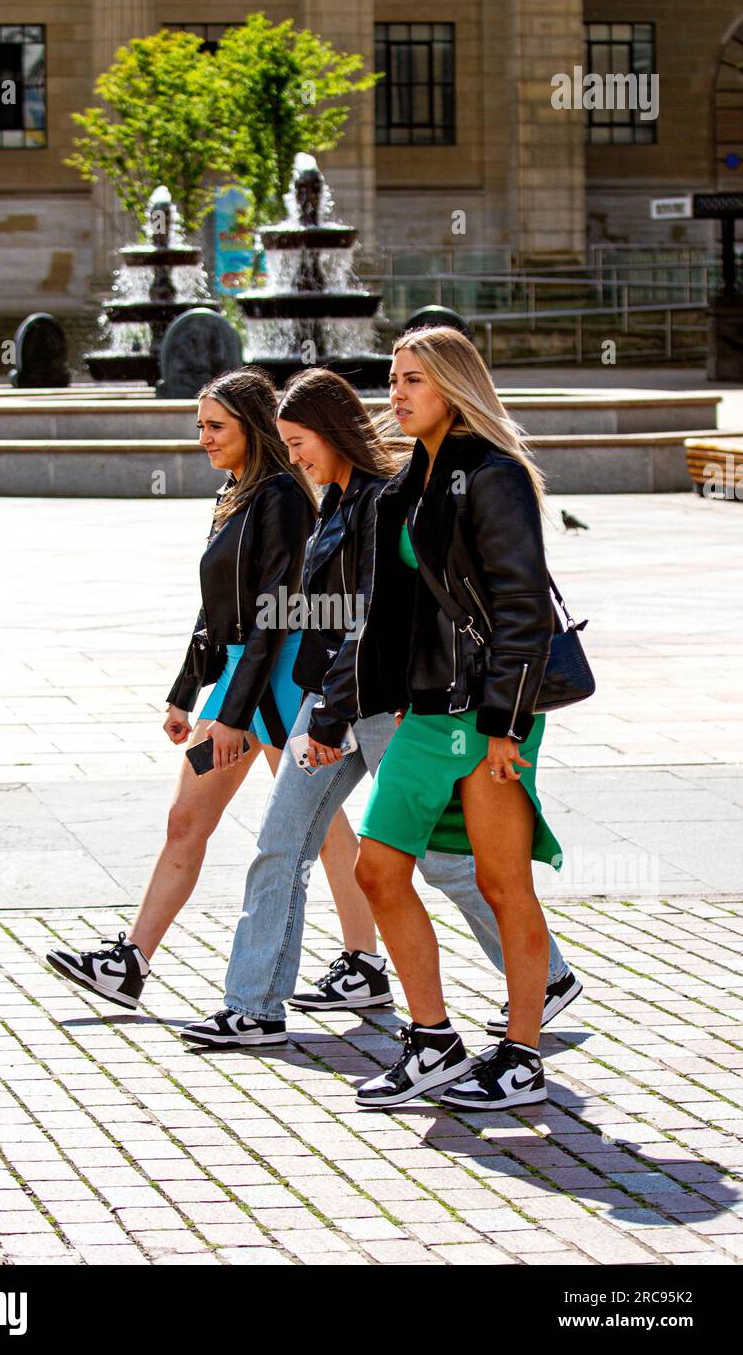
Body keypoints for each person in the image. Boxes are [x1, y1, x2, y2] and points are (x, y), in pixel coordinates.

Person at [180, 367, 579, 1048]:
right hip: (334, 701)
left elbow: (377, 619)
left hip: (385, 706)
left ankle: (545, 978)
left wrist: (330, 709)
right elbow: (323, 616)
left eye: (300, 441)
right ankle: (253, 1006)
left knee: (442, 861)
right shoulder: (330, 503)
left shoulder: (379, 500)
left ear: (333, 434)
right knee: (281, 842)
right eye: (285, 443)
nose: (293, 456)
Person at [44, 367, 374, 1014]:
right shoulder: (237, 493)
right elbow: (216, 608)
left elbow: (273, 614)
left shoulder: (279, 497)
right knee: (198, 820)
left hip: (269, 685)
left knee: (318, 828)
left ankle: (363, 962)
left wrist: (229, 710)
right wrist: (184, 691)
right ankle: (131, 961)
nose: (203, 438)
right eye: (199, 426)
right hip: (236, 681)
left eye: (215, 426)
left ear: (252, 429)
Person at [351, 324, 568, 1111]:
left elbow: (520, 609)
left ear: (453, 385)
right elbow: (393, 612)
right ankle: (434, 1040)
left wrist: (509, 725)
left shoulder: (492, 474)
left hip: (486, 715)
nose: (396, 394)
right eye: (393, 379)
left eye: (413, 379)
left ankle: (519, 1056)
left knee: (501, 883)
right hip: (426, 711)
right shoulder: (411, 480)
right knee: (376, 868)